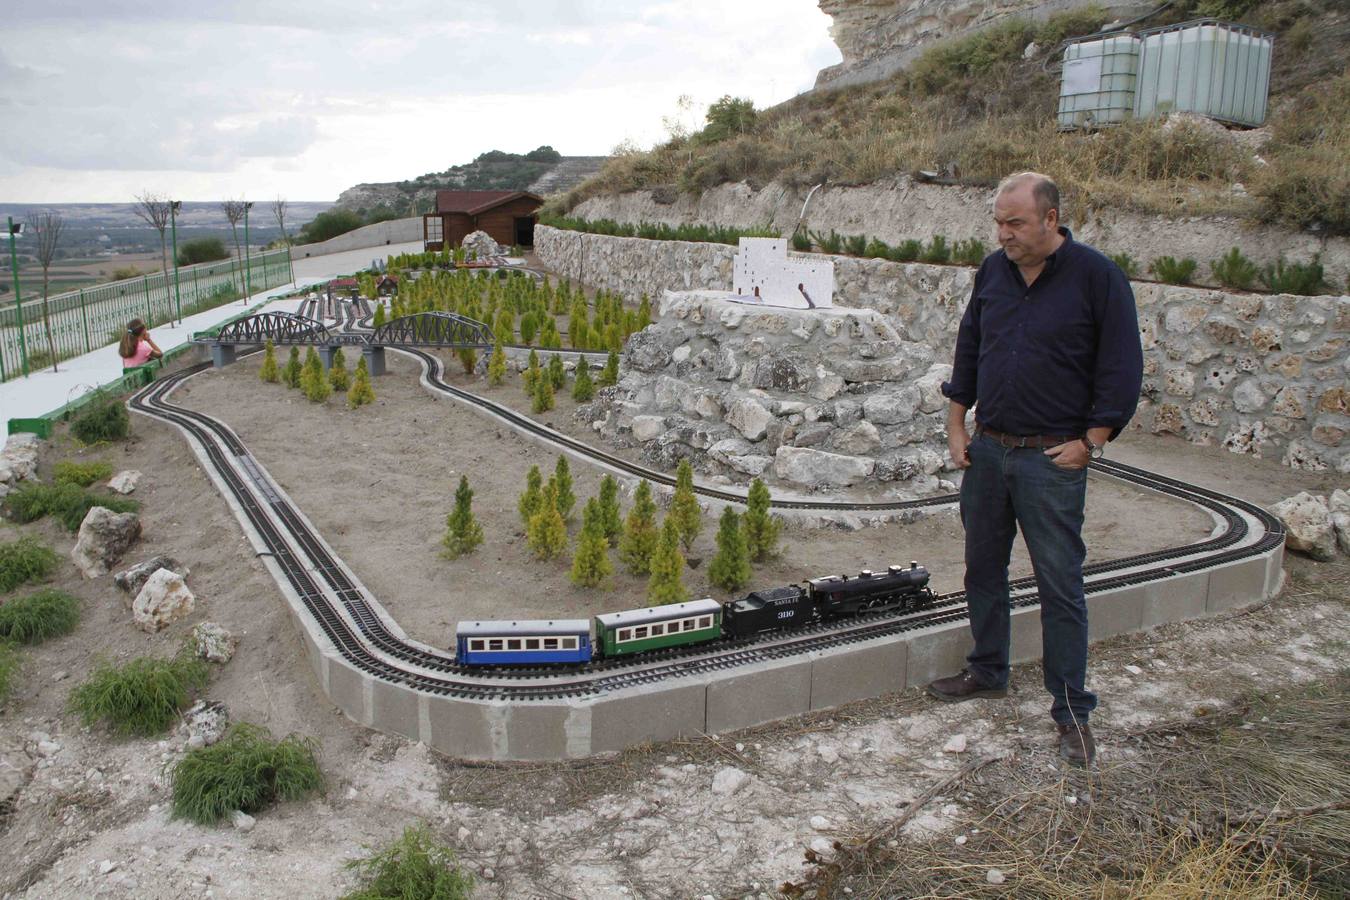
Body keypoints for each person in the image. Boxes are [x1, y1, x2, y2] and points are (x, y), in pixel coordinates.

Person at [929, 172, 1143, 766]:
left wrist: (1091, 442)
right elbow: (969, 349)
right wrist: (956, 425)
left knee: (1060, 585)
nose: (1004, 234)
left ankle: (1072, 711)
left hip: (1052, 458)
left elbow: (1122, 367)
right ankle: (988, 670)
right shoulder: (993, 272)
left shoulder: (1098, 277)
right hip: (989, 451)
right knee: (982, 570)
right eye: (998, 222)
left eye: (1015, 223)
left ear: (1051, 219)